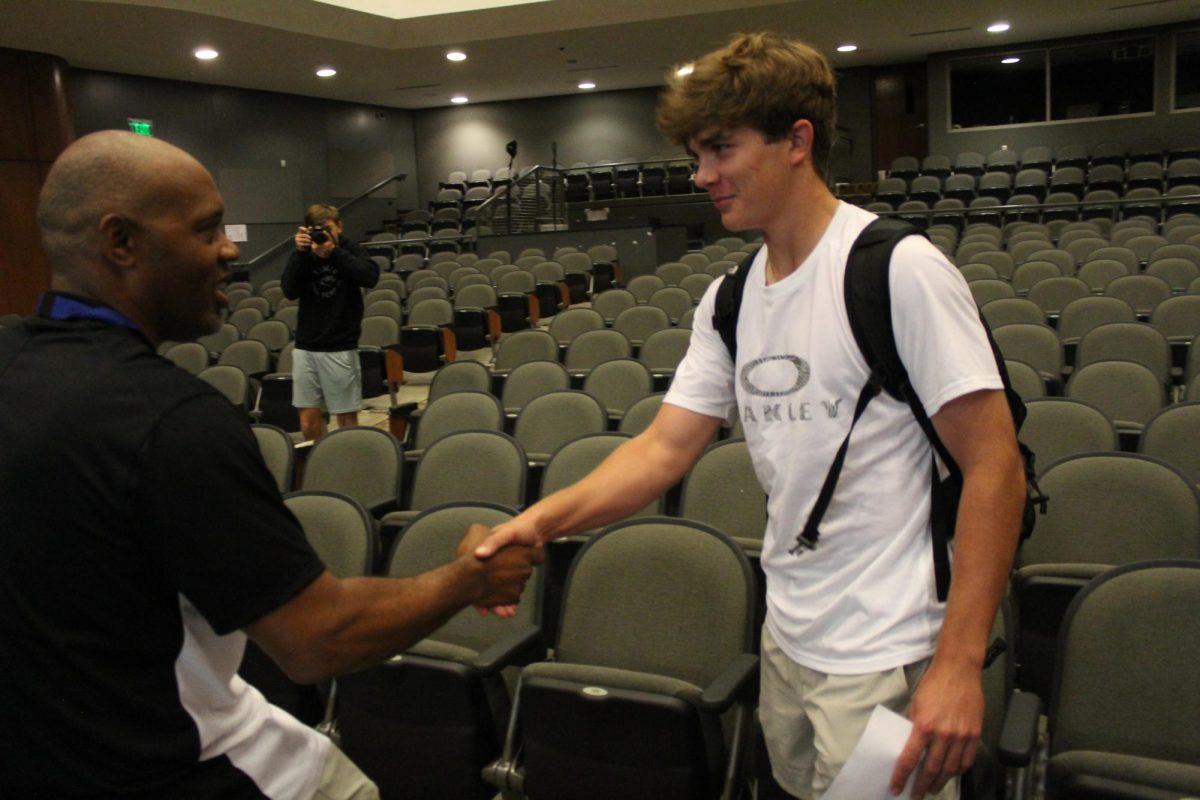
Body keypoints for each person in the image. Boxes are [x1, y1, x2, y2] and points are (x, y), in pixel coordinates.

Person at [473, 32, 1025, 800]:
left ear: (797, 140)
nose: (703, 176)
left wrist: (961, 664)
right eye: (697, 155)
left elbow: (995, 465)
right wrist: (541, 522)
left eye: (720, 150)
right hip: (788, 635)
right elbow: (663, 449)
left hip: (889, 648)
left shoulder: (898, 269)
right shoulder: (730, 298)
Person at [0, 130, 540, 799]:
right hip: (189, 767)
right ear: (121, 243)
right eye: (206, 230)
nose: (230, 249)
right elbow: (318, 639)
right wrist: (470, 580)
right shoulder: (170, 420)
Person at [281, 203, 379, 440]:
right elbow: (289, 290)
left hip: (340, 346)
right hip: (306, 345)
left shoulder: (349, 249)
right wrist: (300, 254)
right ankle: (318, 464)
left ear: (339, 227)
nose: (321, 235)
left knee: (346, 422)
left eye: (327, 229)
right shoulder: (304, 253)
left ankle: (348, 467)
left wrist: (334, 253)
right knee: (307, 422)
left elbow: (369, 276)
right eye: (316, 229)